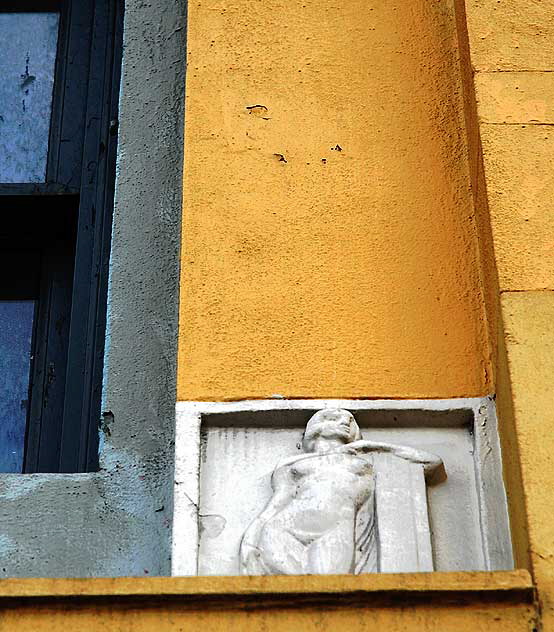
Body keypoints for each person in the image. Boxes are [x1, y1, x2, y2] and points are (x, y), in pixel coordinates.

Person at [239, 408, 444, 575]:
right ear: (316, 426)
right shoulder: (292, 464)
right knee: (291, 598)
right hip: (283, 528)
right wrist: (249, 541)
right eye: (336, 418)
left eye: (349, 420)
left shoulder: (366, 459)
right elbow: (276, 503)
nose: (346, 422)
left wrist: (370, 446)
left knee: (331, 591)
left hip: (336, 527)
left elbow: (431, 462)